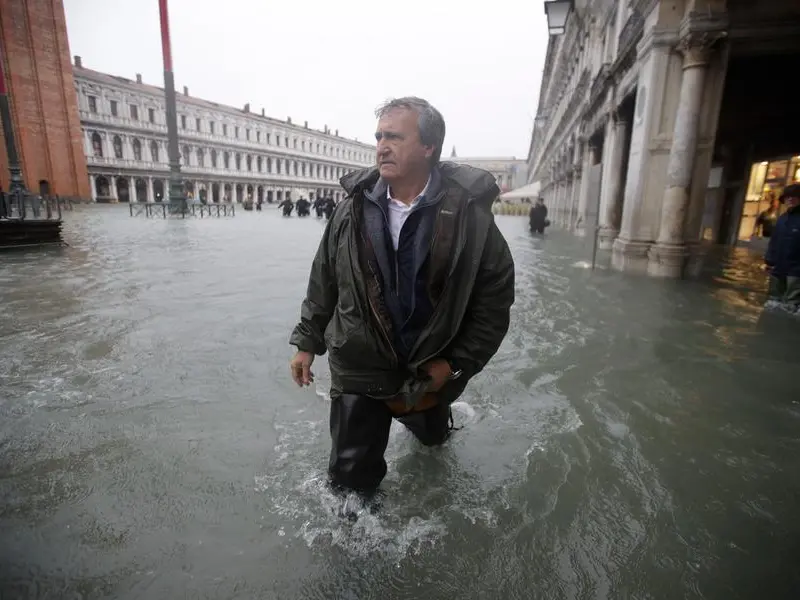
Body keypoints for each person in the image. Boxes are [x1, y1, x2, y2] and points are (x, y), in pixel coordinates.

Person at [289, 97, 515, 495]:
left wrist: (456, 364)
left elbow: (494, 303)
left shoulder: (471, 218)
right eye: (379, 137)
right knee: (349, 487)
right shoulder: (350, 209)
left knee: (433, 447)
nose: (382, 146)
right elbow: (324, 277)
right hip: (359, 364)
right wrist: (307, 342)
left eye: (394, 137)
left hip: (428, 369)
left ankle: (433, 429)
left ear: (428, 147)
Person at [764, 183, 800, 313]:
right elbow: (774, 241)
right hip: (778, 268)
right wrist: (769, 261)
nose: (790, 199)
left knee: (791, 304)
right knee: (773, 302)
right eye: (787, 197)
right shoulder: (782, 219)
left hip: (796, 271)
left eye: (794, 196)